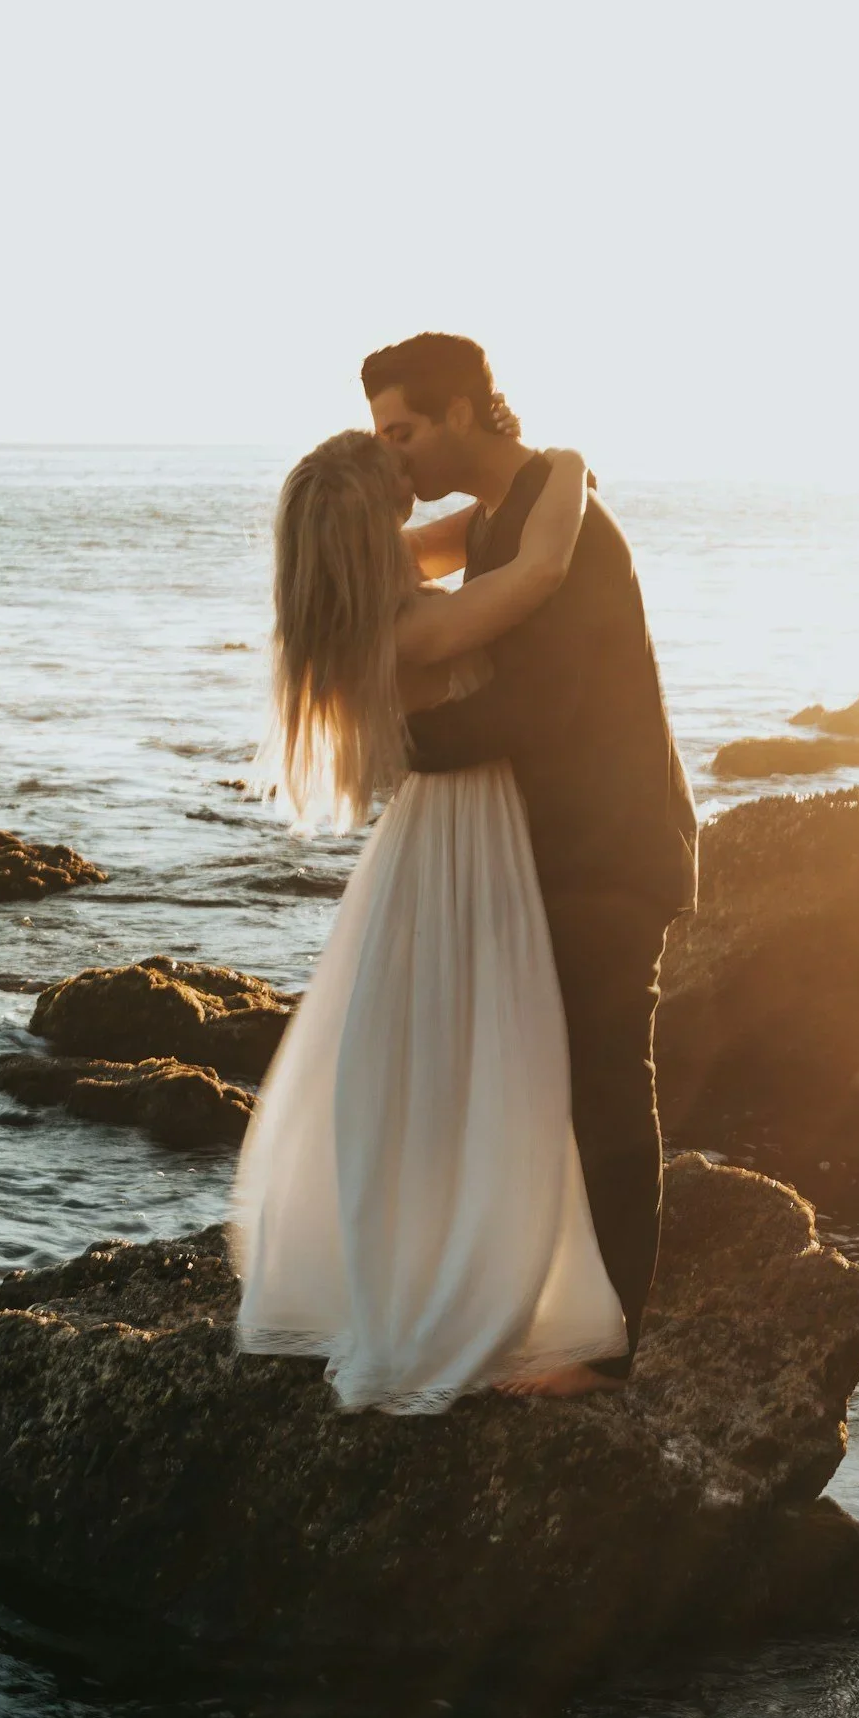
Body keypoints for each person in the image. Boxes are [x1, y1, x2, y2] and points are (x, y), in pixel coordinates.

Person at [228, 426, 629, 1413]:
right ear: (373, 521)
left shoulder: (361, 600)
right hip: (465, 839)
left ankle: (438, 1254)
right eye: (393, 476)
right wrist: (568, 464)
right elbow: (537, 567)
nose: (412, 479)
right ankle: (455, 1287)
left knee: (424, 1057)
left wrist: (490, 493)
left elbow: (466, 531)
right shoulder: (411, 630)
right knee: (483, 1057)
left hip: (434, 838)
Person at [364, 332, 698, 1394]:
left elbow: (537, 707)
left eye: (401, 432)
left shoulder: (569, 529)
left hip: (608, 849)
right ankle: (534, 1312)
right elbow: (384, 569)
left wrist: (394, 744)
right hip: (549, 846)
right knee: (534, 1086)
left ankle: (609, 1351)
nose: (393, 459)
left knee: (603, 1085)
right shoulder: (511, 513)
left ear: (461, 410)